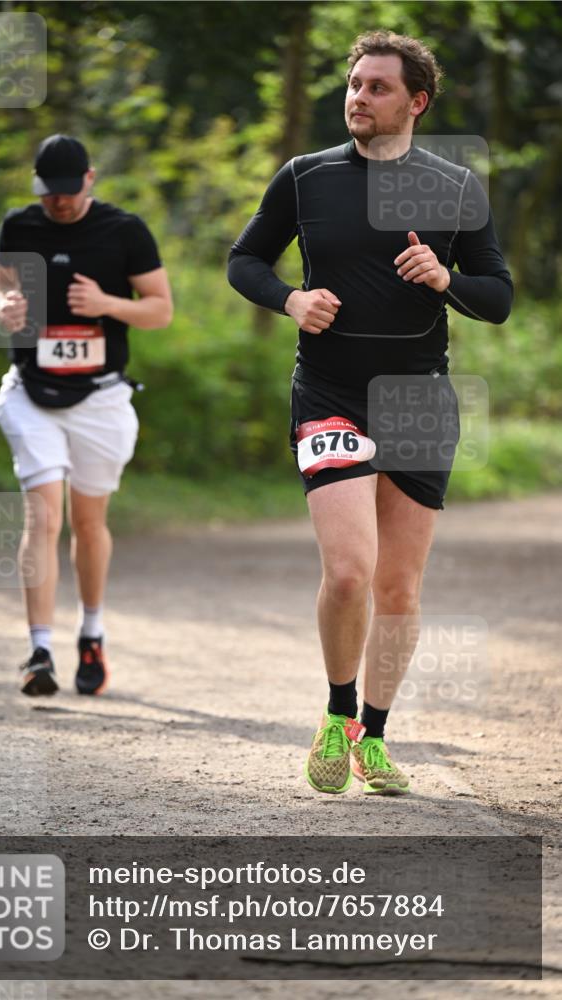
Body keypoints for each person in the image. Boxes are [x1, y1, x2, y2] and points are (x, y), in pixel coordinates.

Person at [228, 31, 512, 794]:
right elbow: (243, 259)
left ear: (415, 102)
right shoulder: (306, 177)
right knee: (350, 573)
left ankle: (376, 738)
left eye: (376, 87)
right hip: (328, 390)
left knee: (398, 589)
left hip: (420, 398)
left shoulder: (453, 187)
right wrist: (290, 297)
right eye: (353, 84)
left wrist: (443, 277)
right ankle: (335, 712)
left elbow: (498, 296)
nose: (357, 96)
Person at [0, 134, 173, 697]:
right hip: (30, 392)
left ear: (89, 179)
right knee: (43, 517)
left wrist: (108, 305)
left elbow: (161, 310)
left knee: (89, 524)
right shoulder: (19, 226)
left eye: (68, 192)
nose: (59, 203)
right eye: (49, 194)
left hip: (100, 398)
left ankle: (91, 633)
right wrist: (2, 306)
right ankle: (38, 650)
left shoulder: (125, 231)